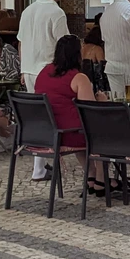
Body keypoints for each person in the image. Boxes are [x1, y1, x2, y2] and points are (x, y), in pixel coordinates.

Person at [34, 35, 112, 194]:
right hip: (69, 134)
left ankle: (90, 175)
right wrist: (102, 100)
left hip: (48, 133)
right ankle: (101, 179)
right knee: (107, 132)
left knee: (78, 126)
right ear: (78, 54)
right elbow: (91, 111)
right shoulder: (78, 78)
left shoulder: (43, 72)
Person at [18, 0, 71, 182]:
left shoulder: (27, 11)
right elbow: (63, 45)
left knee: (38, 118)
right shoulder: (56, 13)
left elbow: (21, 42)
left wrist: (23, 68)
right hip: (48, 70)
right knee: (53, 117)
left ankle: (39, 167)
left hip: (30, 69)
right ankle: (45, 163)